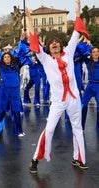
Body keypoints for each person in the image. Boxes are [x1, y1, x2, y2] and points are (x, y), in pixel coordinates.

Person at [25, 0, 89, 173]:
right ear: (48, 47)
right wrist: (30, 20)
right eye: (51, 43)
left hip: (74, 98)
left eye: (57, 42)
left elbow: (76, 32)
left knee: (77, 128)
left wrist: (77, 12)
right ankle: (35, 159)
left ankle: (79, 158)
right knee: (50, 129)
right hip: (58, 101)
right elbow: (33, 41)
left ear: (61, 45)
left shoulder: (68, 52)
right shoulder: (45, 59)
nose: (54, 44)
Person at [81, 47, 99, 130]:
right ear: (91, 54)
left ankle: (98, 127)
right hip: (90, 86)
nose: (96, 53)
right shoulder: (88, 61)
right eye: (94, 52)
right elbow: (82, 55)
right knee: (83, 105)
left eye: (97, 52)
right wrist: (88, 49)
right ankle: (81, 126)